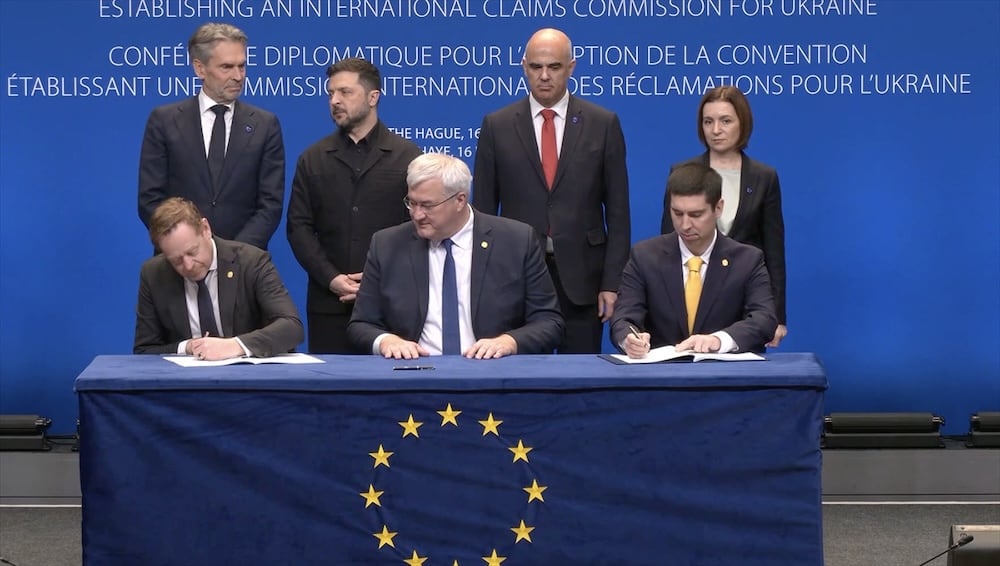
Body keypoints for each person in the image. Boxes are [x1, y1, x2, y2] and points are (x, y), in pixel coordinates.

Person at [472, 27, 630, 354]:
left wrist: (612, 284)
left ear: (571, 67)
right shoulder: (497, 125)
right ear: (524, 67)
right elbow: (483, 212)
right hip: (515, 278)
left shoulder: (602, 123)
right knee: (524, 376)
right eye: (536, 67)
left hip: (584, 280)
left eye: (554, 67)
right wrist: (484, 282)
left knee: (581, 375)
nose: (544, 76)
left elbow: (618, 212)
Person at [348, 153, 564, 359]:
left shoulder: (516, 241)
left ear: (460, 200)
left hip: (492, 371)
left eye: (428, 205)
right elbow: (360, 325)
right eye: (412, 203)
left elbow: (549, 322)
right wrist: (386, 341)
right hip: (414, 370)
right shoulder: (387, 245)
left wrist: (509, 342)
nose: (417, 215)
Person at [286, 58, 422, 354]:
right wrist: (331, 278)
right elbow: (299, 228)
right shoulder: (313, 158)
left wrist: (376, 280)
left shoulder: (407, 156)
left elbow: (418, 227)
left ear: (373, 97)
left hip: (391, 303)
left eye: (345, 92)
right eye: (330, 93)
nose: (334, 101)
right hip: (328, 303)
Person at [138, 23, 285, 250]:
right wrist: (191, 248)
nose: (238, 76)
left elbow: (270, 205)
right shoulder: (164, 121)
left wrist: (231, 255)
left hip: (243, 261)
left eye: (242, 66)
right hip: (179, 260)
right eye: (227, 67)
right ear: (200, 69)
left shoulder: (265, 125)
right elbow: (150, 200)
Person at [660, 86, 787, 347]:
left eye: (725, 121)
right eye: (708, 121)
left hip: (744, 301)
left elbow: (773, 253)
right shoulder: (682, 172)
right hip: (692, 298)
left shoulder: (763, 177)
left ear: (743, 123)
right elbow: (667, 243)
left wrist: (777, 316)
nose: (715, 130)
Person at [613, 162, 777, 358]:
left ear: (718, 208)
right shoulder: (644, 257)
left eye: (696, 215)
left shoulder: (748, 260)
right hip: (661, 372)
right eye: (677, 213)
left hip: (724, 373)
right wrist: (629, 339)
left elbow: (764, 319)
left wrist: (718, 340)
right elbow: (624, 317)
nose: (685, 225)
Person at [134, 198, 303, 360]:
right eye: (176, 260)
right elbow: (145, 350)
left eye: (192, 252)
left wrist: (234, 345)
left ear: (205, 229)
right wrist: (188, 347)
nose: (188, 265)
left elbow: (292, 327)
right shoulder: (154, 274)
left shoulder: (251, 262)